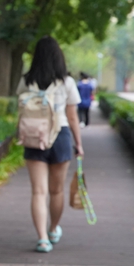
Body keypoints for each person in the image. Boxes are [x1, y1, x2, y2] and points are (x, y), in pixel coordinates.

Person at [17, 36, 83, 253]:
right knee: (56, 191)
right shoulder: (67, 82)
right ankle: (54, 229)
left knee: (38, 192)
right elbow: (72, 117)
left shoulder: (26, 80)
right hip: (60, 136)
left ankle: (42, 238)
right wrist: (79, 144)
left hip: (33, 136)